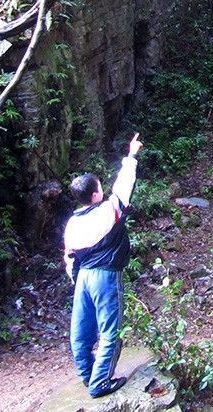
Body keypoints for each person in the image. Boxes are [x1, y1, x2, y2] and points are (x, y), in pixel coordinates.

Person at [63, 132, 143, 399]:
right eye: (100, 186)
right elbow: (124, 184)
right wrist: (131, 154)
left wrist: (76, 281)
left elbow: (70, 258)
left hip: (82, 278)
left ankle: (88, 376)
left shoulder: (72, 224)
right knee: (111, 331)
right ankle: (100, 383)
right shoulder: (108, 211)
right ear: (96, 194)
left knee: (81, 330)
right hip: (104, 275)